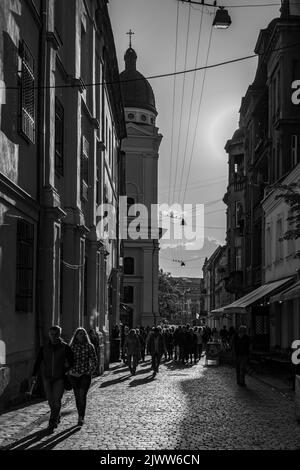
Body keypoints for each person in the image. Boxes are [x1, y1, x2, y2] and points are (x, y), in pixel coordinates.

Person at [32, 325, 74, 432]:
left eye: (56, 334)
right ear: (49, 334)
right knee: (50, 401)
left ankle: (52, 421)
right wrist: (34, 375)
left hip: (59, 378)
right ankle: (57, 415)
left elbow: (72, 362)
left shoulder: (65, 347)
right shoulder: (44, 347)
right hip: (47, 377)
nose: (54, 336)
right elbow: (38, 361)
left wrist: (66, 369)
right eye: (51, 334)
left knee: (56, 401)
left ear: (59, 334)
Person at [69, 327, 98, 426]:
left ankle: (81, 417)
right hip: (73, 375)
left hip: (85, 374)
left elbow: (94, 360)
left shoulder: (89, 346)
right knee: (77, 396)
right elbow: (67, 361)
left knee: (82, 395)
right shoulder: (72, 347)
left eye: (83, 333)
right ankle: (79, 415)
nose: (82, 335)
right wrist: (69, 371)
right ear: (76, 336)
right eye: (79, 333)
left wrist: (90, 371)